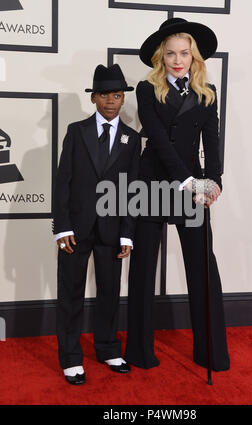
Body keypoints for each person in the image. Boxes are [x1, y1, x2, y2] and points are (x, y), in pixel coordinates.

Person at [125, 18, 230, 372]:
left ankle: (211, 353)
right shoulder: (145, 88)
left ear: (194, 56)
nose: (177, 59)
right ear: (161, 56)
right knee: (142, 271)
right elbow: (157, 139)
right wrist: (189, 182)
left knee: (203, 269)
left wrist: (213, 182)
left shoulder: (207, 92)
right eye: (170, 53)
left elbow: (212, 144)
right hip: (153, 182)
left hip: (194, 188)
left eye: (184, 53)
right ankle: (139, 352)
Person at [53, 64, 141, 385]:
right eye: (104, 94)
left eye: (117, 95)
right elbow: (63, 181)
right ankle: (71, 357)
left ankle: (107, 347)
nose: (110, 101)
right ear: (93, 98)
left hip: (112, 230)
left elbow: (133, 191)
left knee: (109, 292)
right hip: (75, 230)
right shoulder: (76, 132)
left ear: (122, 100)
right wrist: (62, 227)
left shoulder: (132, 140)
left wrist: (127, 234)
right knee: (71, 293)